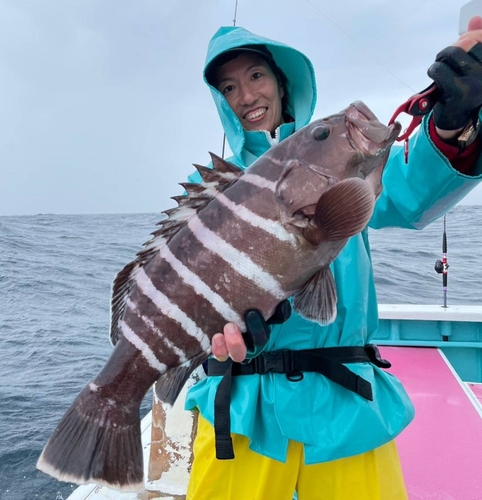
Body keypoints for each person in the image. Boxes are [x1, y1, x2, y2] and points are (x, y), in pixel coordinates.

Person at [184, 19, 482, 500]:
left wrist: (452, 123)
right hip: (240, 411)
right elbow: (189, 295)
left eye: (256, 76)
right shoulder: (216, 197)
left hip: (348, 405)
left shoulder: (343, 160)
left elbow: (410, 190)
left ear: (283, 83)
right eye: (229, 86)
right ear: (220, 101)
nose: (246, 95)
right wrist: (210, 339)